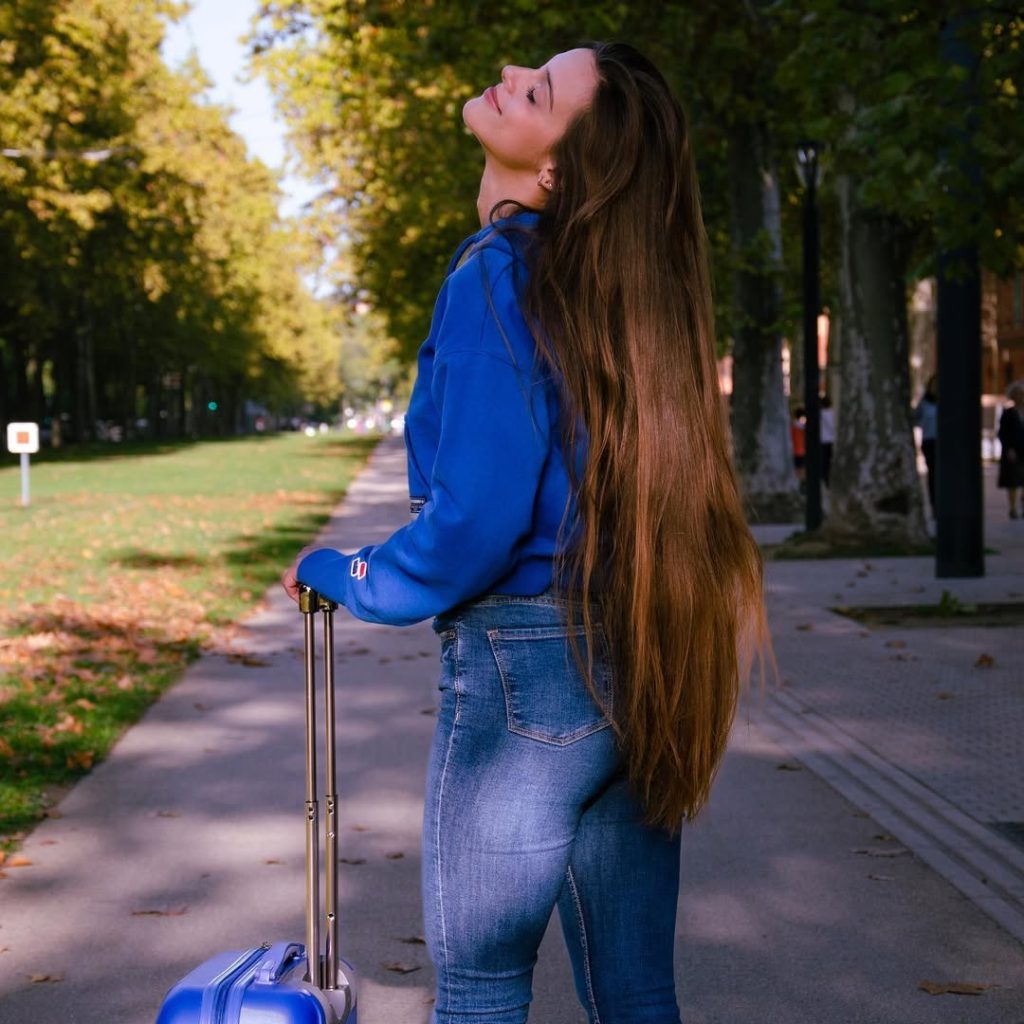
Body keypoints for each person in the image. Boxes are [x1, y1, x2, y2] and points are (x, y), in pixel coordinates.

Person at [283, 42, 766, 1024]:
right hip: (638, 646)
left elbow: (476, 524)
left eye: (537, 89)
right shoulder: (615, 307)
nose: (508, 74)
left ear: (552, 170)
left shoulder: (496, 277)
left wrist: (348, 571)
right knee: (633, 991)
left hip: (525, 671)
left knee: (481, 986)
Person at [998, 381, 1024, 519]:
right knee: (1013, 481)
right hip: (1013, 452)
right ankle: (1013, 508)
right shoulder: (1008, 413)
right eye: (1018, 394)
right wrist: (1008, 449)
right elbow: (1002, 433)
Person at [913, 374, 938, 514]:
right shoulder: (924, 402)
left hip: (944, 443)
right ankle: (935, 506)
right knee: (933, 475)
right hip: (929, 442)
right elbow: (916, 419)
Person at [819, 394, 835, 487]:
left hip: (822, 441)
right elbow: (832, 427)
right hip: (829, 440)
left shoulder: (820, 414)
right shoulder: (830, 413)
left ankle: (823, 478)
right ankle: (827, 479)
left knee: (823, 462)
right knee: (827, 461)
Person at [791, 405, 807, 486]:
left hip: (794, 450)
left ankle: (797, 483)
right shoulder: (803, 427)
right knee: (802, 469)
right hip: (802, 450)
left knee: (797, 468)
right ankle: (802, 483)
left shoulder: (792, 426)